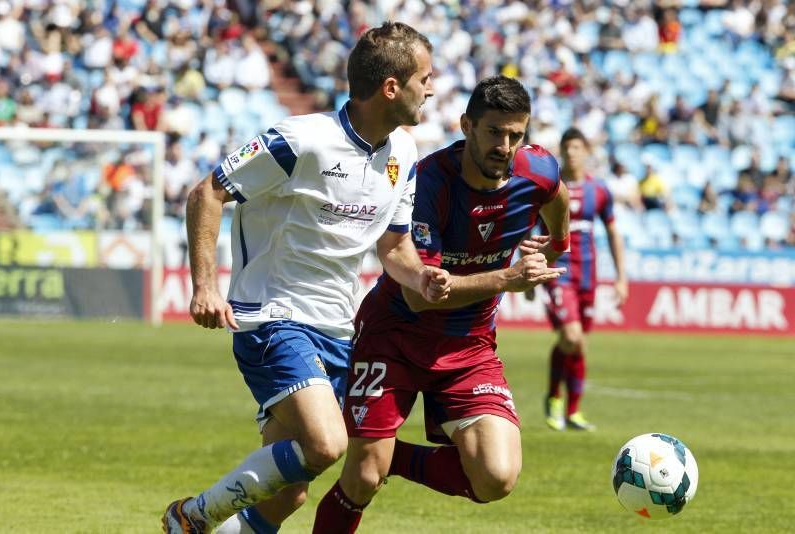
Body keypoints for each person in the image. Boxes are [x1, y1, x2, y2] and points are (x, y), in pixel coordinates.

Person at [162, 22, 452, 534]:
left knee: (289, 492)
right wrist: (205, 287)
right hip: (273, 316)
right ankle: (192, 517)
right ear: (391, 87)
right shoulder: (301, 139)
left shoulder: (404, 155)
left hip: (339, 328)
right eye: (424, 78)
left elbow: (395, 248)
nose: (431, 88)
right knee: (326, 444)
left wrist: (422, 278)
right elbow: (206, 194)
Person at [311, 75, 571, 533]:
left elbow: (556, 199)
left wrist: (554, 246)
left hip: (470, 346)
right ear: (466, 125)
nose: (505, 146)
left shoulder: (537, 172)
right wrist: (509, 277)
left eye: (516, 135)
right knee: (362, 479)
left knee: (496, 477)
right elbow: (421, 295)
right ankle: (375, 456)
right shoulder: (429, 183)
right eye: (494, 132)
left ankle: (390, 454)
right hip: (396, 335)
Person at [538, 127, 627, 432]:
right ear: (561, 151)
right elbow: (528, 231)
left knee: (579, 344)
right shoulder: (549, 188)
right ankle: (553, 397)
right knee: (572, 336)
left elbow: (614, 233)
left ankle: (573, 412)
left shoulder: (599, 191)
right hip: (557, 272)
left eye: (578, 147)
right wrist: (527, 270)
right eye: (568, 147)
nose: (572, 152)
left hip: (588, 275)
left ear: (587, 151)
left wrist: (621, 278)